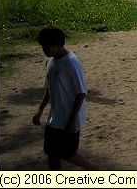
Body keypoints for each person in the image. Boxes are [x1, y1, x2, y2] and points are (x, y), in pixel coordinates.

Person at [33, 26, 99, 170]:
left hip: (69, 117)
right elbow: (50, 88)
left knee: (67, 152)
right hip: (54, 118)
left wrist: (72, 119)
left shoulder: (71, 62)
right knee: (51, 152)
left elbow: (81, 92)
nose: (44, 49)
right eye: (42, 46)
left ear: (57, 44)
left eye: (47, 46)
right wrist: (40, 110)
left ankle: (92, 167)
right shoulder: (50, 61)